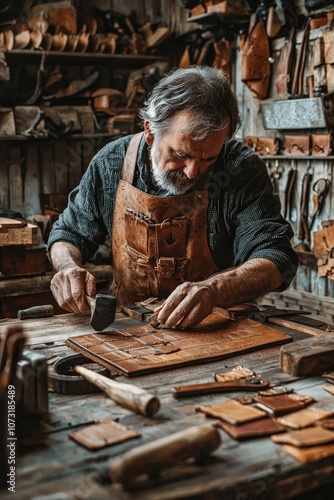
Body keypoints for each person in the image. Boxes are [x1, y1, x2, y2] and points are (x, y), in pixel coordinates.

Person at [48, 65, 298, 329]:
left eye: (208, 159)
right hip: (127, 326)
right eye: (182, 154)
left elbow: (276, 256)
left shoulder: (240, 169)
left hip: (216, 326)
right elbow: (69, 233)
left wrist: (214, 290)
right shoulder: (110, 163)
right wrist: (67, 267)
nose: (192, 172)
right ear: (150, 132)